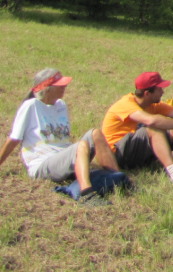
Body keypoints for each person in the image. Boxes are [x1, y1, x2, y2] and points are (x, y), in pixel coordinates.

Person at [0, 68, 122, 207]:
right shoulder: (30, 106)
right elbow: (14, 139)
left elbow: (64, 140)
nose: (65, 87)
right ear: (47, 89)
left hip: (62, 158)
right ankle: (86, 194)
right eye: (60, 85)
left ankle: (118, 179)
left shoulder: (61, 105)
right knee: (81, 145)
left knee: (96, 133)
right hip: (43, 163)